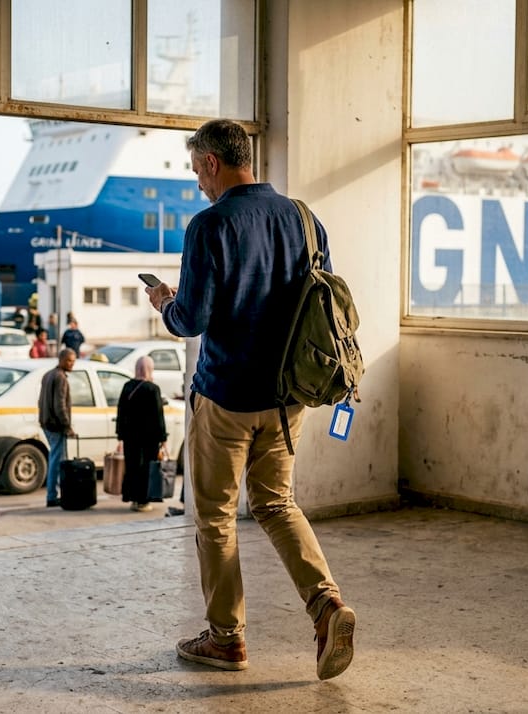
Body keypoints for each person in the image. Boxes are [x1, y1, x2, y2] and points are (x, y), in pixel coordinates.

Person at [146, 119, 355, 679]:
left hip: (226, 398)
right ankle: (327, 604)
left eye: (196, 172)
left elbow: (191, 319)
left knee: (215, 516)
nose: (197, 184)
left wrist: (164, 301)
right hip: (289, 401)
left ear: (213, 162)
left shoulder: (209, 226)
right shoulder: (304, 219)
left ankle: (226, 639)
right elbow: (320, 303)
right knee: (278, 503)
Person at [115, 356, 167, 512]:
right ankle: (143, 501)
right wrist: (163, 438)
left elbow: (121, 412)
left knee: (132, 467)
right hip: (148, 439)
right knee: (146, 469)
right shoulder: (152, 389)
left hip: (130, 438)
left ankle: (133, 499)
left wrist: (120, 435)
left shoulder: (127, 386)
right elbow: (158, 416)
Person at [37, 348, 77, 508]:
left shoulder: (48, 375)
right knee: (56, 460)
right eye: (69, 361)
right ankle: (52, 496)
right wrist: (67, 426)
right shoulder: (60, 378)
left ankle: (60, 493)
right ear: (61, 360)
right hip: (55, 425)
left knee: (58, 459)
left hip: (47, 422)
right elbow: (59, 405)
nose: (71, 364)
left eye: (73, 361)